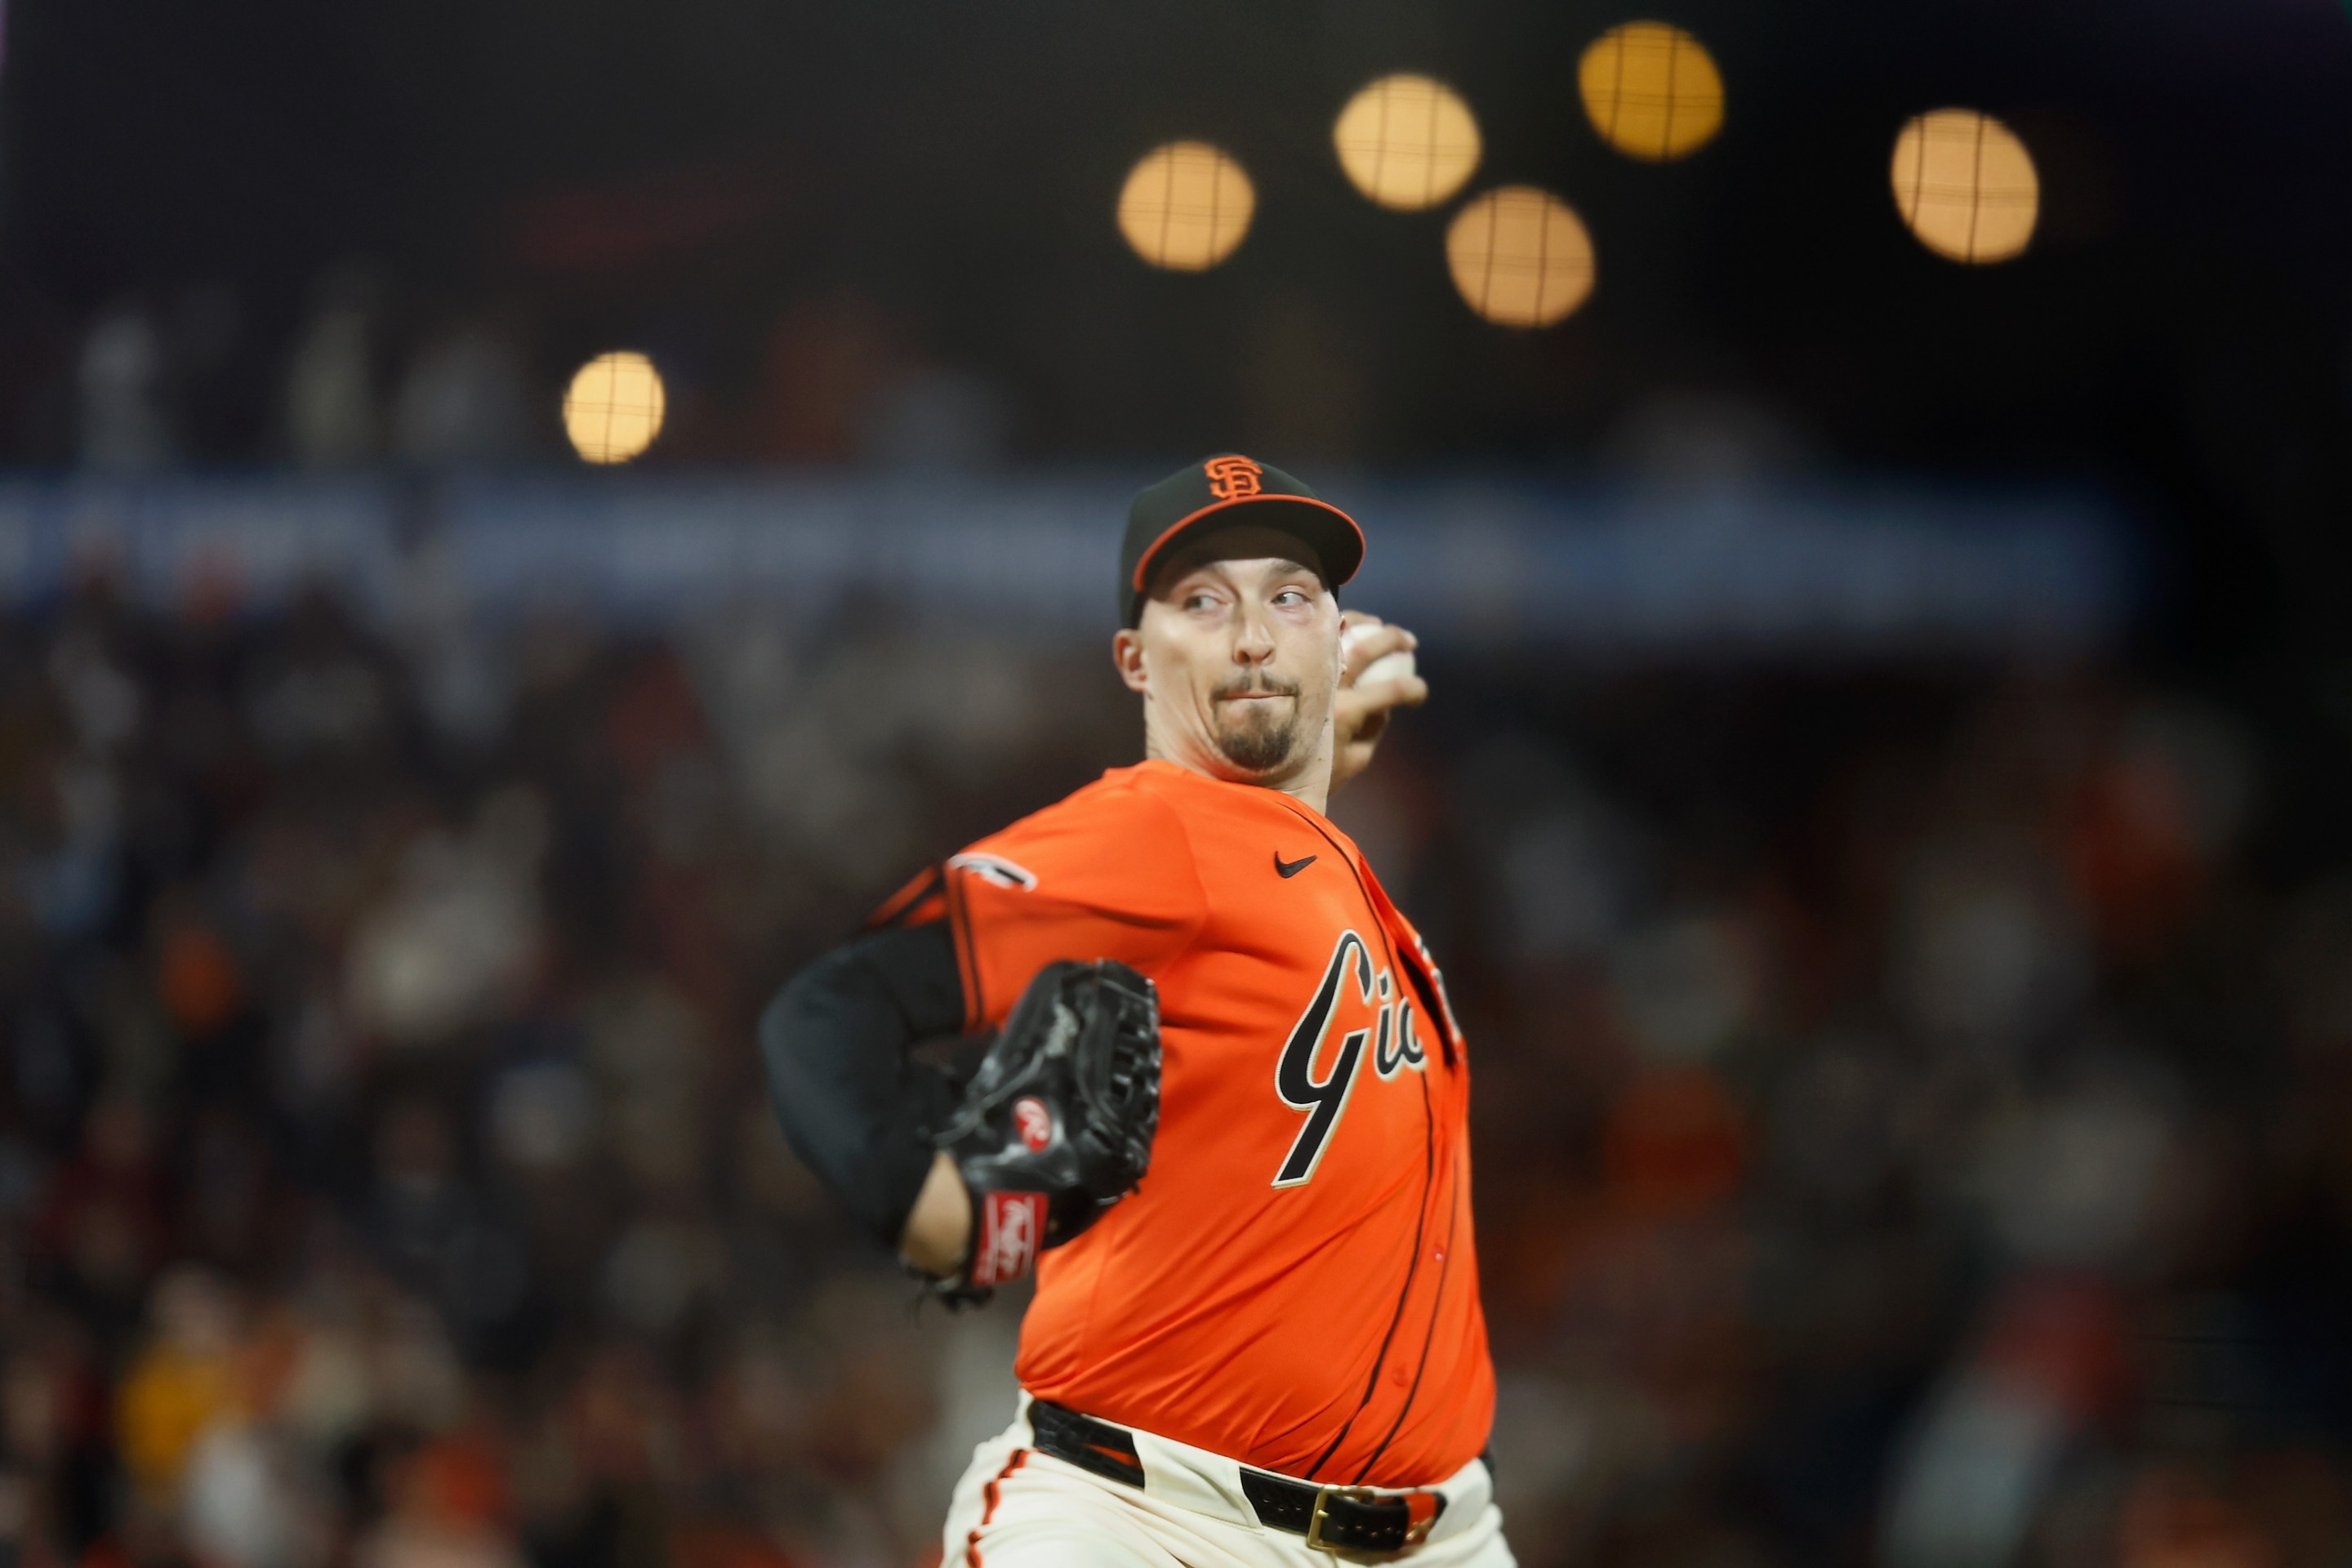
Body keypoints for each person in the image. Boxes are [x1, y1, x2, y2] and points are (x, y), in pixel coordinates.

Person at [760, 455, 1508, 1567]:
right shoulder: (1156, 832)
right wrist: (927, 1200)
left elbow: (1251, 877)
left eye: (1288, 597)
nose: (1252, 634)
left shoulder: (1313, 861)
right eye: (1203, 602)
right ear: (1134, 660)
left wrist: (1315, 764)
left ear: (1335, 633)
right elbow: (829, 1011)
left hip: (1441, 1533)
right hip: (1152, 1523)